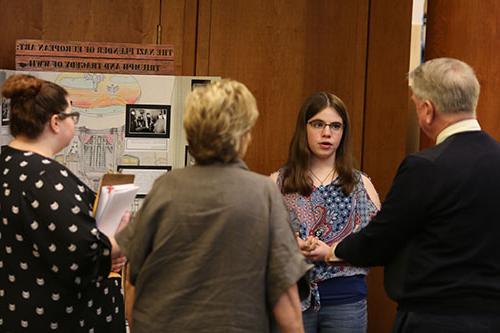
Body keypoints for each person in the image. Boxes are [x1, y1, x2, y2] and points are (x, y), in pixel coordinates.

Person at [116, 79, 311, 333]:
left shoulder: (165, 188)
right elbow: (285, 296)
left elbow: (133, 277)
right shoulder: (263, 194)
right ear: (242, 134)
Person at [326, 58, 500, 332]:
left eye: (417, 105)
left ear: (428, 110)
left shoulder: (425, 167)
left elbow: (382, 239)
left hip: (433, 319)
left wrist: (333, 250)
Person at [0, 74, 128, 332]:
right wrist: (118, 241)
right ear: (55, 122)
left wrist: (105, 256)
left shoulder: (7, 163)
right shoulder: (44, 176)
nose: (75, 123)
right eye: (73, 116)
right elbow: (83, 253)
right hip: (57, 318)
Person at [271, 92, 380, 333]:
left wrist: (331, 252)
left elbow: (377, 246)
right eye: (318, 124)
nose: (327, 133)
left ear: (343, 132)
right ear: (304, 128)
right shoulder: (278, 182)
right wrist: (292, 246)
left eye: (335, 126)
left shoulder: (361, 184)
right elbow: (260, 244)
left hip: (346, 300)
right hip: (292, 299)